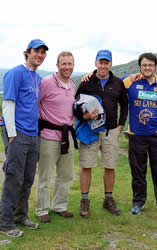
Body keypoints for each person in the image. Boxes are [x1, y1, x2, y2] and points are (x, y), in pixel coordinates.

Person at [0, 39, 48, 237]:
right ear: (28, 52)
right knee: (14, 177)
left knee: (27, 178)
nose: (40, 55)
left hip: (32, 134)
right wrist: (11, 135)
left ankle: (20, 216)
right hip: (17, 133)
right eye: (36, 51)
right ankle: (4, 222)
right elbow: (8, 104)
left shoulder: (37, 78)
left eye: (43, 52)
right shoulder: (15, 73)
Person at [75, 49, 128, 218]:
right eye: (101, 62)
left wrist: (121, 125)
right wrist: (83, 116)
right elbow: (75, 105)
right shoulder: (86, 82)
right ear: (95, 63)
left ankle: (108, 200)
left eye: (106, 62)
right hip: (90, 129)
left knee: (110, 165)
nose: (103, 65)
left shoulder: (118, 83)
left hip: (110, 130)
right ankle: (84, 201)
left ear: (110, 64)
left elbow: (125, 105)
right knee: (86, 165)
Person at [123, 53, 157, 215]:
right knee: (138, 171)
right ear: (140, 66)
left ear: (155, 67)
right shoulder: (131, 82)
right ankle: (138, 202)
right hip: (136, 134)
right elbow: (110, 83)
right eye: (144, 65)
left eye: (150, 65)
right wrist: (91, 75)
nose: (147, 68)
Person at [36, 51, 77, 223]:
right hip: (48, 135)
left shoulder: (73, 84)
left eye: (70, 64)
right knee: (45, 175)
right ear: (57, 65)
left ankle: (59, 206)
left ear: (73, 65)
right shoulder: (46, 83)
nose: (67, 67)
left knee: (66, 174)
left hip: (67, 136)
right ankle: (41, 210)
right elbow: (35, 103)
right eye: (64, 64)